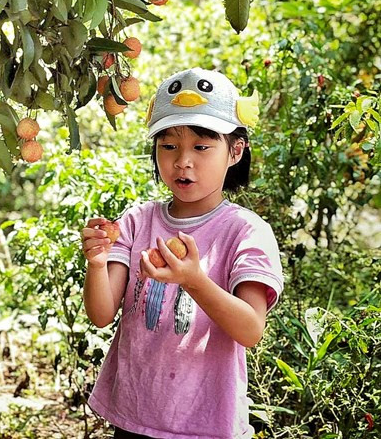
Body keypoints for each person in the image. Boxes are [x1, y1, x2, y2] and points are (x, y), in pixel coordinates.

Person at [81, 67, 283, 439]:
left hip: (206, 425)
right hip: (132, 416)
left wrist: (193, 280)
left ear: (235, 151)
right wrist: (96, 263)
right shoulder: (137, 221)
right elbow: (101, 314)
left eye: (201, 147)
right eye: (169, 146)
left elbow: (251, 330)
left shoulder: (245, 231)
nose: (182, 161)